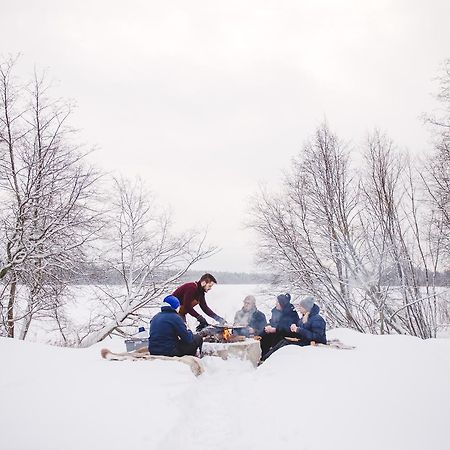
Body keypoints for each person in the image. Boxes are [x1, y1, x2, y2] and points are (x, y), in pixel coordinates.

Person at [262, 296, 327, 361]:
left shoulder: (317, 319)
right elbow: (300, 330)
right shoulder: (304, 318)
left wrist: (298, 330)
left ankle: (268, 360)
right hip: (304, 341)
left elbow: (317, 336)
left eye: (301, 307)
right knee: (283, 341)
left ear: (306, 308)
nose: (299, 308)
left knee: (285, 344)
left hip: (312, 343)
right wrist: (293, 328)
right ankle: (265, 359)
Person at [258, 293, 299, 360]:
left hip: (285, 337)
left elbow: (288, 328)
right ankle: (262, 357)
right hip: (275, 335)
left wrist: (275, 329)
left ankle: (266, 359)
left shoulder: (290, 313)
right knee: (263, 337)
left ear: (282, 303)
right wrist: (261, 333)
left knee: (273, 343)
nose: (276, 303)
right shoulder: (276, 311)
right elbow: (272, 322)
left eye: (277, 302)